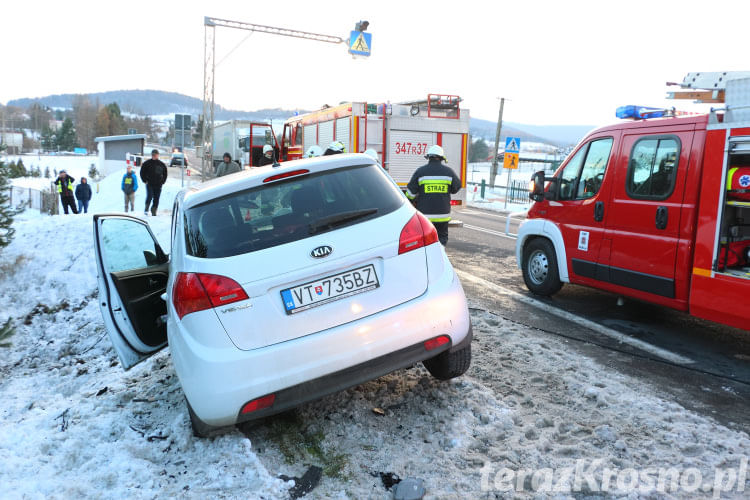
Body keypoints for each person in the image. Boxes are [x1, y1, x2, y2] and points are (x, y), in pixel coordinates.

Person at [405, 145, 461, 246]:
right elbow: (456, 187)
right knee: (441, 240)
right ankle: (440, 256)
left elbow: (410, 194)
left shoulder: (420, 172)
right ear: (441, 158)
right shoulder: (449, 172)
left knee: (424, 241)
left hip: (425, 217)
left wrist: (414, 199)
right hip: (443, 216)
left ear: (428, 157)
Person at [140, 149, 168, 216]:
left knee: (156, 198)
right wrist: (144, 180)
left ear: (158, 155)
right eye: (153, 155)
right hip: (149, 183)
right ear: (151, 155)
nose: (154, 156)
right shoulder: (147, 163)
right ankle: (146, 208)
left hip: (158, 184)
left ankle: (154, 210)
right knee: (149, 196)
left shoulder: (161, 164)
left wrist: (163, 181)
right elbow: (142, 172)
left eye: (155, 155)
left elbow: (165, 173)